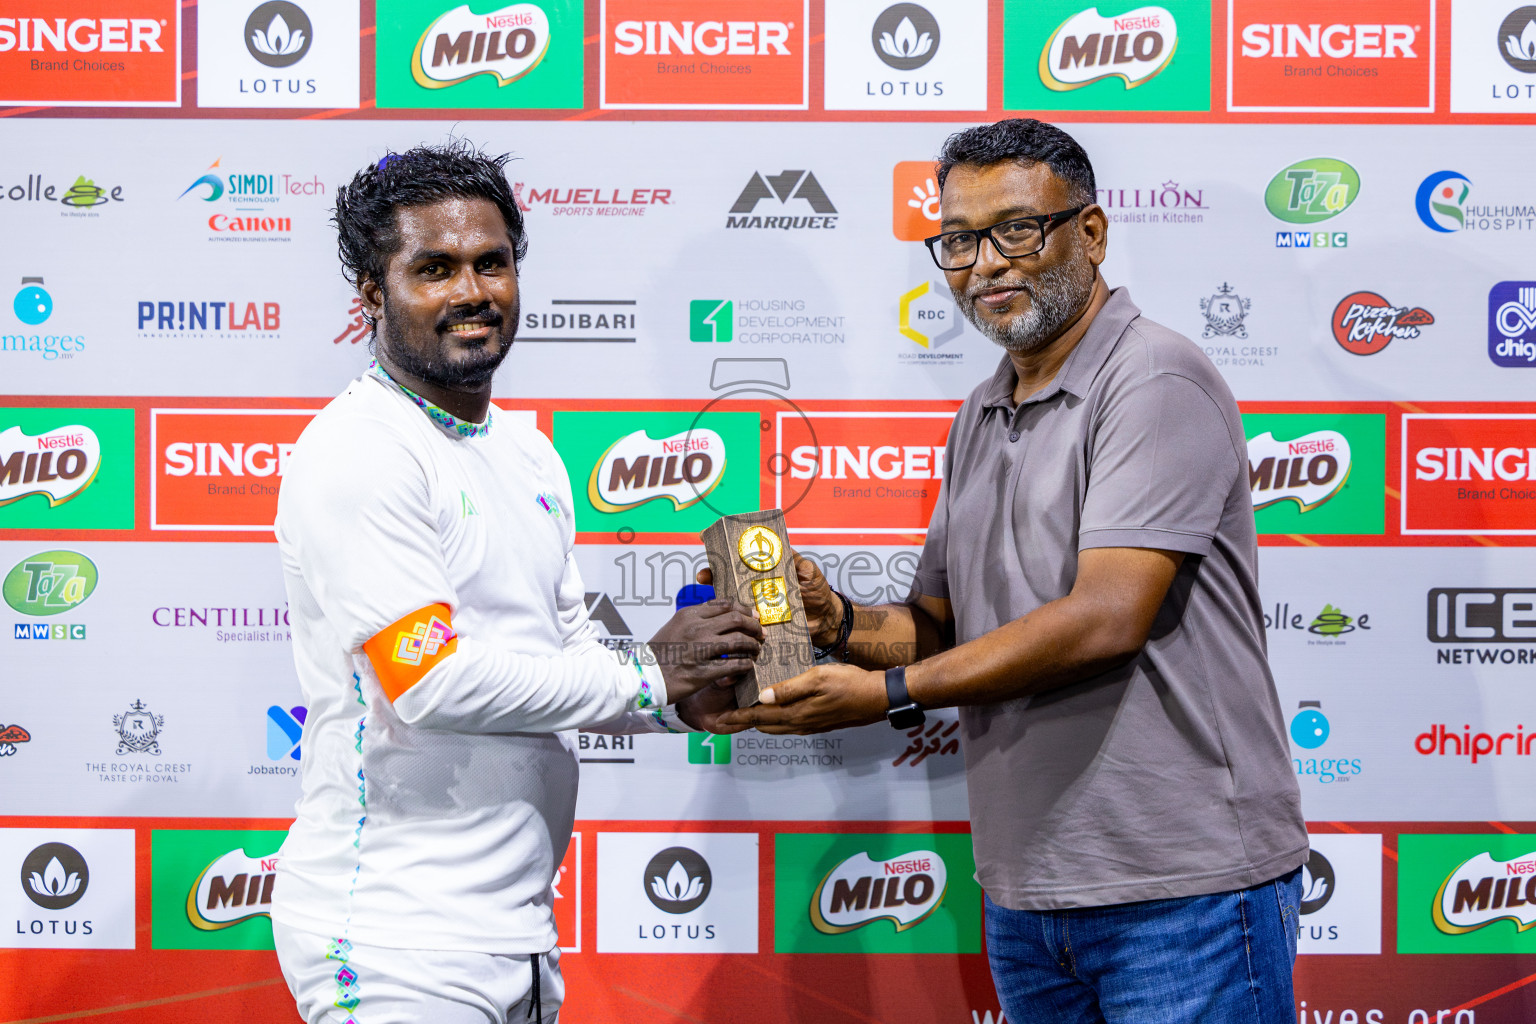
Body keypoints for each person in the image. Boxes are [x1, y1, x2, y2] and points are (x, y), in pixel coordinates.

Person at [715, 119, 1309, 1023]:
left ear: (1094, 234)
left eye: (1017, 230)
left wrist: (885, 697)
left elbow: (1106, 617)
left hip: (1181, 889)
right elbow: (940, 625)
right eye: (958, 240)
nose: (985, 263)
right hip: (1029, 894)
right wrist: (834, 620)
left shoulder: (1154, 378)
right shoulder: (982, 410)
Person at [271, 141, 758, 1024]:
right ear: (373, 297)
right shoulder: (361, 451)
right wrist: (648, 673)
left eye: (491, 263)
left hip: (516, 931)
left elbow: (562, 655)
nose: (472, 292)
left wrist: (675, 694)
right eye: (435, 269)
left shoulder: (525, 449)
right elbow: (427, 677)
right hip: (393, 941)